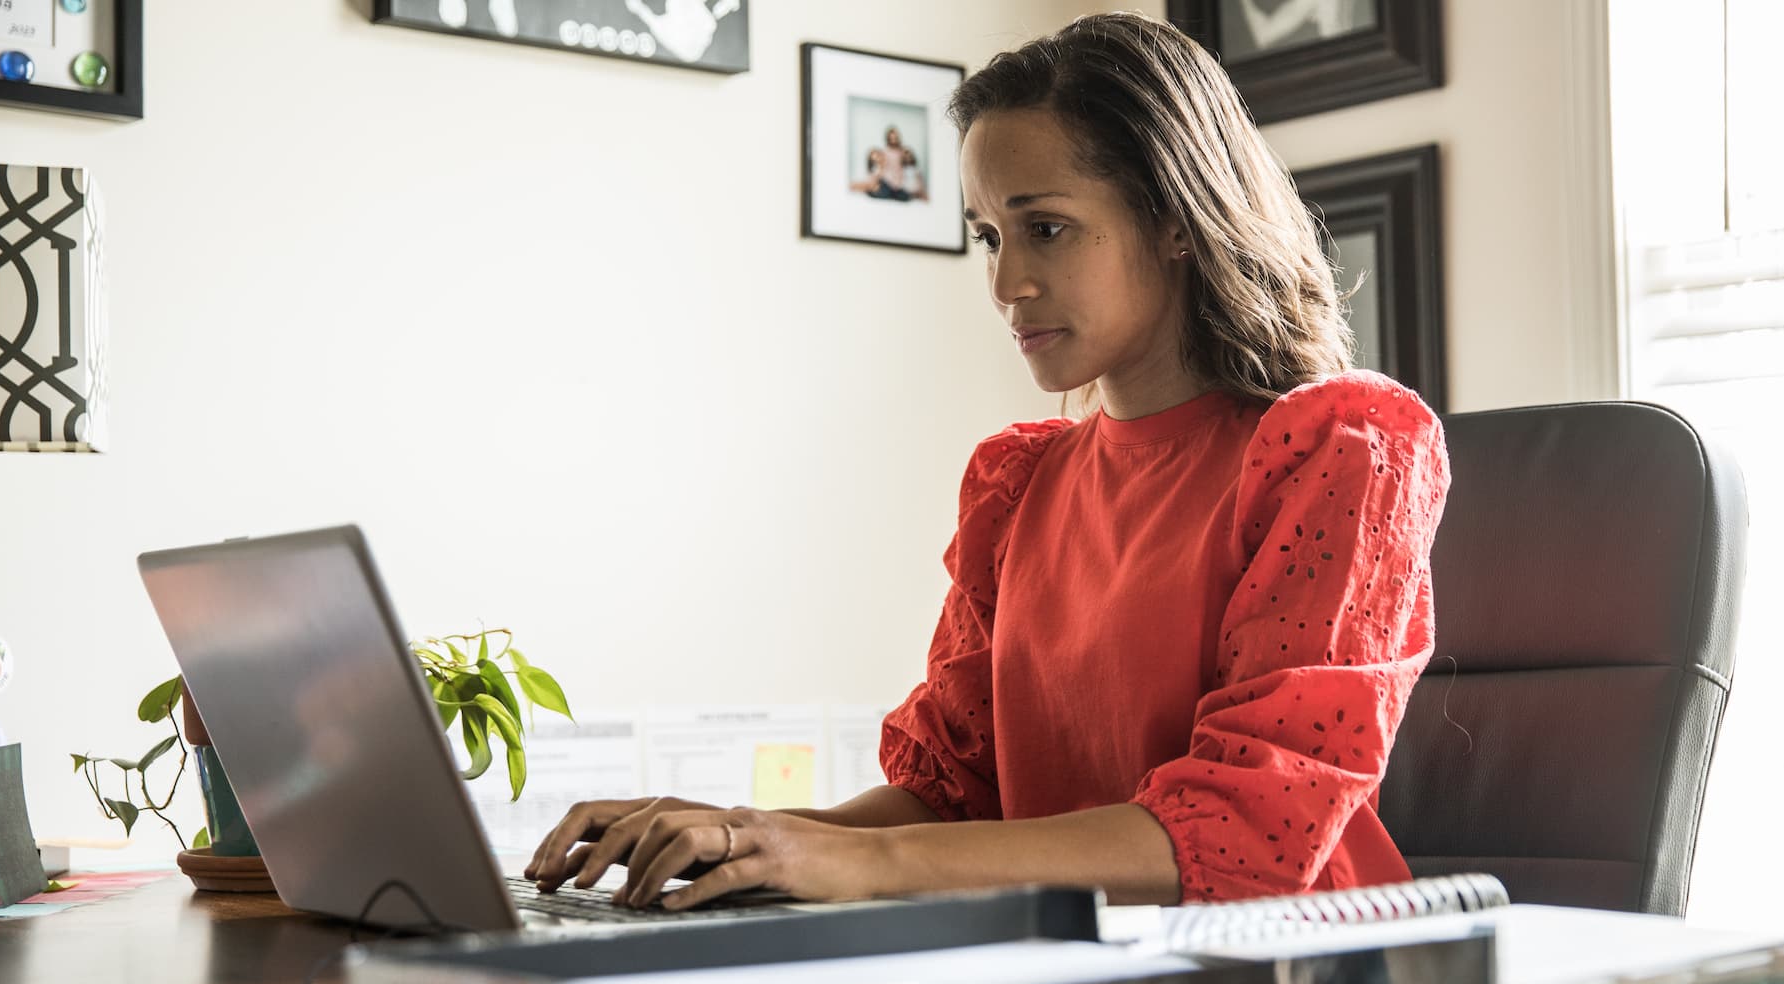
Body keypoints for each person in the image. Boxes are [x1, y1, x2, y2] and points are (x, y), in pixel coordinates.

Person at [524, 10, 1449, 912]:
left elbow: (1249, 830)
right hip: (1064, 965)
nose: (1008, 285)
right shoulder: (1020, 486)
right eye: (989, 237)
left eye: (1044, 228)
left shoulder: (1341, 450)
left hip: (1289, 970)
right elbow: (949, 800)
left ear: (1175, 219)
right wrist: (743, 837)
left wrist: (857, 863)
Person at [849, 126, 928, 201]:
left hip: (898, 184)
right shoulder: (885, 152)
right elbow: (881, 167)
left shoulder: (902, 152)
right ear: (888, 138)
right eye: (891, 137)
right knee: (878, 190)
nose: (893, 139)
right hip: (886, 181)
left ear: (898, 137)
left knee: (904, 197)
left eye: (895, 137)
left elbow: (910, 166)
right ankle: (859, 187)